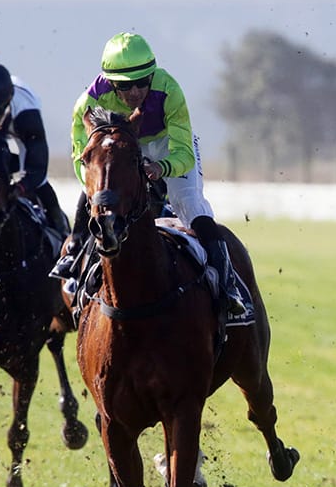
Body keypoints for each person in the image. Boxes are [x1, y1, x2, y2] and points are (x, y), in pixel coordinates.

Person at [57, 32, 244, 316]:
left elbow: (183, 154)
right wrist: (97, 189)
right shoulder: (88, 103)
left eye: (142, 82)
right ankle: (76, 266)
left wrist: (160, 167)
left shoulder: (170, 90)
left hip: (168, 143)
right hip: (120, 145)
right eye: (124, 85)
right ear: (110, 82)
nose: (134, 92)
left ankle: (228, 288)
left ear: (152, 76)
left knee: (190, 205)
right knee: (101, 201)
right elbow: (81, 158)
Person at [0, 53, 68, 233]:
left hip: (19, 124)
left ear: (8, 100)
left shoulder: (27, 112)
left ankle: (63, 233)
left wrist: (19, 188)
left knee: (40, 184)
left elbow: (37, 168)